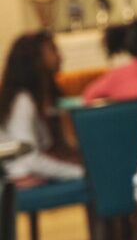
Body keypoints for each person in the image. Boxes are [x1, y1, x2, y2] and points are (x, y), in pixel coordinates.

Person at [0, 32, 83, 185]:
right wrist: (79, 172)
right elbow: (28, 158)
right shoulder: (22, 101)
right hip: (19, 177)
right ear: (35, 59)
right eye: (53, 50)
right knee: (94, 175)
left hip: (31, 170)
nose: (60, 57)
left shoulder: (41, 98)